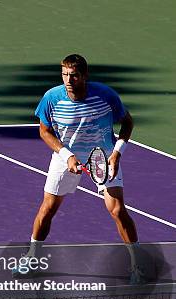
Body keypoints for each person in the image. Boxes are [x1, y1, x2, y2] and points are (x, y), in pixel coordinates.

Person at [15, 54, 142, 282]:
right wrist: (67, 155)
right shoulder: (51, 98)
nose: (68, 80)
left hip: (103, 156)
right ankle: (32, 259)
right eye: (64, 74)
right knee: (48, 208)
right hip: (66, 155)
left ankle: (137, 267)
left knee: (117, 211)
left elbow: (128, 122)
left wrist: (116, 154)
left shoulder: (105, 95)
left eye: (73, 75)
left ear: (84, 76)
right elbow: (44, 131)